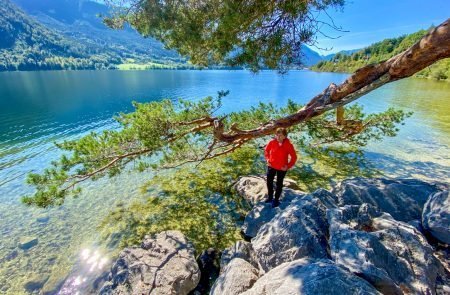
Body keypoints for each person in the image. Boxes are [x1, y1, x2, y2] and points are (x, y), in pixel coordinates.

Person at [264, 127, 297, 208]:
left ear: (285, 136)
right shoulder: (272, 142)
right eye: (277, 135)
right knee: (269, 182)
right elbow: (266, 151)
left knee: (279, 184)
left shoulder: (289, 145)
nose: (278, 137)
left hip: (282, 168)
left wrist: (288, 166)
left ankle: (276, 200)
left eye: (280, 135)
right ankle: (270, 197)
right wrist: (268, 159)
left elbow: (294, 157)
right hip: (271, 165)